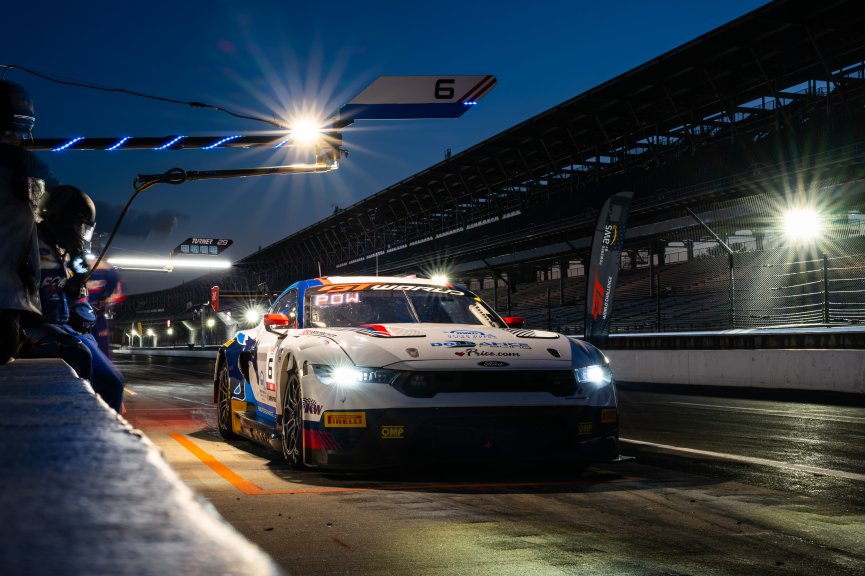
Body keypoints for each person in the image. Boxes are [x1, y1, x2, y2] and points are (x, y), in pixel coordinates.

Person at [21, 185, 125, 412]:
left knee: (113, 382)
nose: (81, 233)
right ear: (63, 220)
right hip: (35, 325)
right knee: (80, 355)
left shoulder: (68, 252)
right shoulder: (28, 242)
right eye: (79, 225)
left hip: (67, 326)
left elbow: (79, 290)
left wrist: (78, 283)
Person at [0, 79, 59, 364]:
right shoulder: (23, 165)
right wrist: (146, 223)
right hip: (6, 295)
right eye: (15, 126)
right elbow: (64, 201)